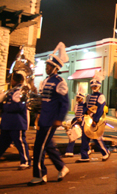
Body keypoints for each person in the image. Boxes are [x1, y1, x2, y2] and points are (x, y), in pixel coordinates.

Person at [28, 42, 70, 186]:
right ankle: (62, 167)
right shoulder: (46, 81)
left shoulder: (60, 81)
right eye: (46, 65)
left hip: (50, 120)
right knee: (48, 146)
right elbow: (44, 100)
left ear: (55, 67)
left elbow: (65, 103)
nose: (47, 68)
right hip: (43, 119)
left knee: (39, 147)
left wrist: (59, 119)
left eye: (49, 66)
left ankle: (39, 175)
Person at [75, 71, 111, 162]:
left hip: (96, 120)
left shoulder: (101, 96)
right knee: (84, 138)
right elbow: (85, 106)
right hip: (87, 119)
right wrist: (84, 112)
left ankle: (105, 152)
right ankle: (84, 156)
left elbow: (100, 109)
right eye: (93, 86)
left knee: (96, 138)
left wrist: (95, 120)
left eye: (96, 86)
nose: (94, 88)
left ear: (99, 87)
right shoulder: (88, 96)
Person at [0, 72, 31, 170]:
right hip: (7, 122)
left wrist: (4, 106)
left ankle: (25, 161)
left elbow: (19, 106)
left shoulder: (21, 91)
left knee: (20, 142)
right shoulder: (11, 90)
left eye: (12, 79)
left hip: (17, 122)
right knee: (2, 143)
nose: (10, 81)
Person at [64, 87, 85, 157]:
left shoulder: (85, 105)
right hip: (76, 122)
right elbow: (76, 114)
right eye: (77, 97)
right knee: (72, 136)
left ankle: (87, 150)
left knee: (84, 138)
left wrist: (82, 118)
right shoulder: (76, 105)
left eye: (78, 98)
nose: (77, 99)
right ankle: (69, 151)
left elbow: (86, 114)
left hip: (83, 123)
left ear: (82, 98)